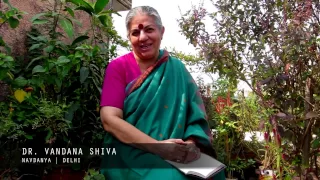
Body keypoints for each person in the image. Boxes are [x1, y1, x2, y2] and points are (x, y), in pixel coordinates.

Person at [99, 5, 225, 180]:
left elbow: (193, 115)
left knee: (214, 172)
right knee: (169, 177)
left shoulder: (176, 69)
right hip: (131, 149)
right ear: (129, 37)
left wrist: (190, 144)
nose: (143, 38)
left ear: (161, 31)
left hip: (175, 150)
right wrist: (158, 147)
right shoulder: (118, 67)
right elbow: (109, 119)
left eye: (149, 29)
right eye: (135, 33)